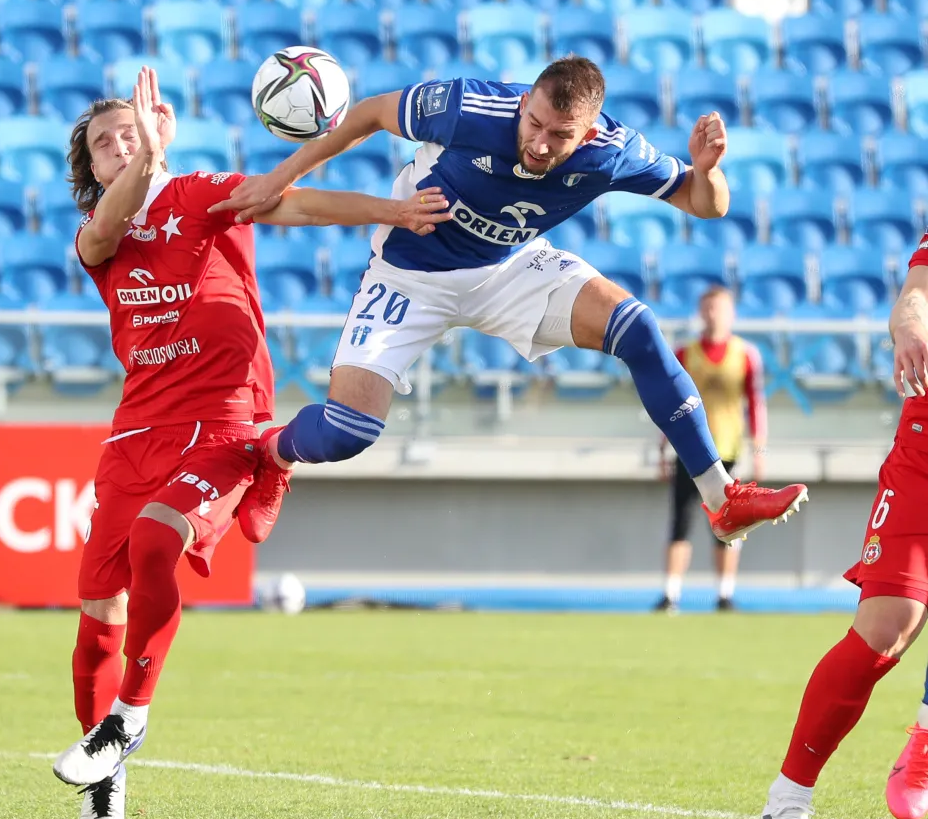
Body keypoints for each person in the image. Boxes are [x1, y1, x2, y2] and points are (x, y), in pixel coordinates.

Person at [52, 67, 452, 819]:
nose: (120, 145)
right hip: (136, 431)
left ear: (158, 133)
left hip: (223, 418)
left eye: (129, 131)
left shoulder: (203, 192)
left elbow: (297, 205)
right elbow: (108, 224)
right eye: (105, 144)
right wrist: (145, 156)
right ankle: (107, 767)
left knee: (155, 539)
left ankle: (129, 717)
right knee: (97, 611)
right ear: (93, 170)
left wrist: (395, 210)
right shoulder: (96, 235)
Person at [212, 55, 809, 549]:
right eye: (535, 124)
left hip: (509, 267)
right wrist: (278, 179)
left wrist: (709, 173)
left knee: (639, 328)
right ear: (525, 104)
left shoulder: (616, 151)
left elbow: (706, 205)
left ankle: (720, 497)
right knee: (347, 432)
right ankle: (272, 452)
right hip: (410, 272)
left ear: (590, 133)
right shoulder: (470, 107)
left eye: (560, 136)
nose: (541, 145)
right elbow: (368, 113)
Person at [760, 234, 928, 819]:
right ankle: (787, 804)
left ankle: (925, 742)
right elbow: (915, 297)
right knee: (887, 627)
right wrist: (910, 326)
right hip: (925, 455)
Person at [655, 284, 768, 613]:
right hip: (686, 450)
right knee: (680, 522)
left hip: (726, 450)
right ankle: (671, 594)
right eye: (706, 307)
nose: (711, 314)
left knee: (726, 526)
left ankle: (724, 594)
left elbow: (755, 405)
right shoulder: (684, 353)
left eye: (718, 307)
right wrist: (662, 448)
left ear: (731, 313)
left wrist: (759, 451)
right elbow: (666, 404)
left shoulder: (745, 354)